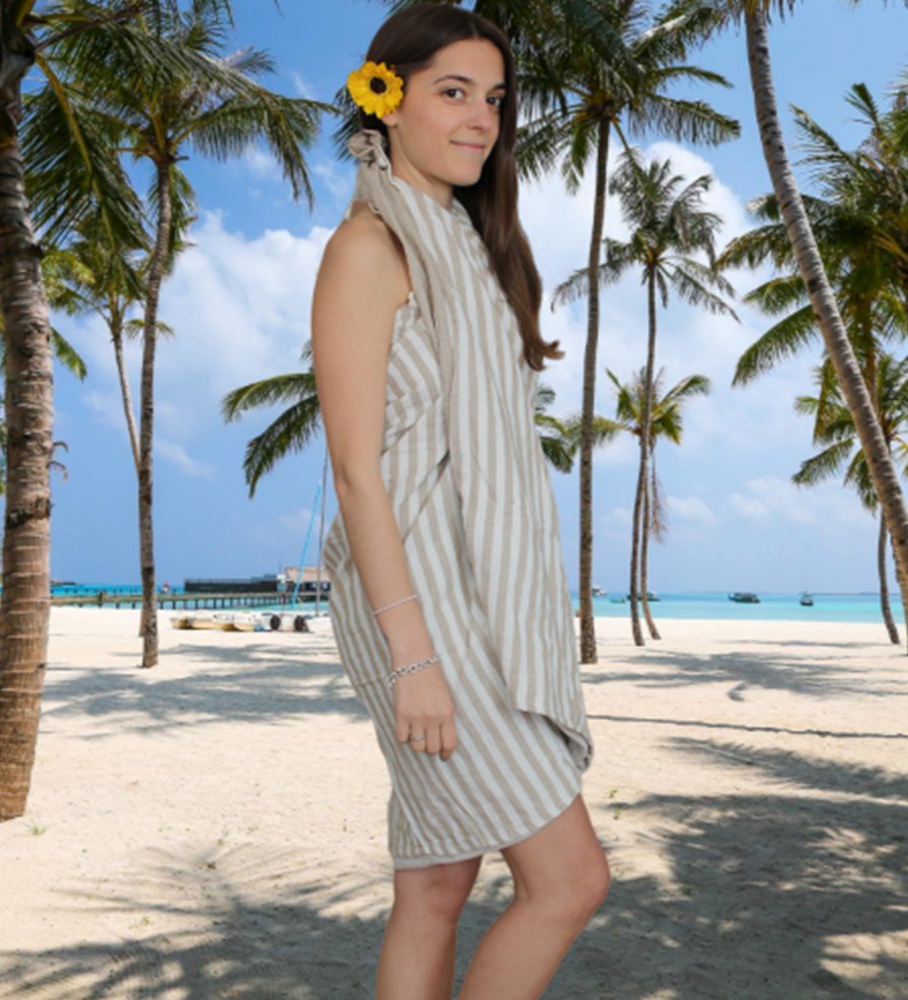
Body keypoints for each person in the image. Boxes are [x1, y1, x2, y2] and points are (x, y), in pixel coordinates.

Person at [312, 5, 609, 998]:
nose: (481, 118)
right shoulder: (368, 247)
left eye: (493, 98)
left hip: (478, 599)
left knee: (439, 878)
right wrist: (414, 657)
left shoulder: (463, 243)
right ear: (385, 100)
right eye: (453, 92)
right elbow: (356, 468)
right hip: (426, 610)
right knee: (569, 881)